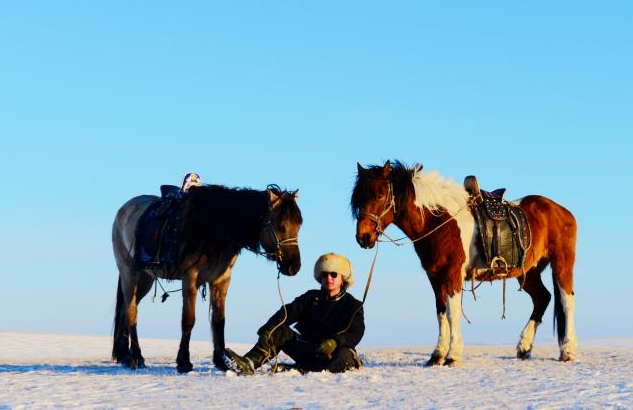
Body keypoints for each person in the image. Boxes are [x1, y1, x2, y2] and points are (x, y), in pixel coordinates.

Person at [223, 253, 364, 375]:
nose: (329, 278)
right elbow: (286, 313)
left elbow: (356, 332)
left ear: (343, 278)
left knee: (344, 356)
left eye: (334, 274)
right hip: (309, 350)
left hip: (333, 354)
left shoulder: (353, 305)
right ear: (320, 278)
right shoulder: (310, 297)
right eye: (325, 274)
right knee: (278, 330)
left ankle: (301, 369)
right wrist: (267, 331)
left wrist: (335, 341)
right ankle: (249, 363)